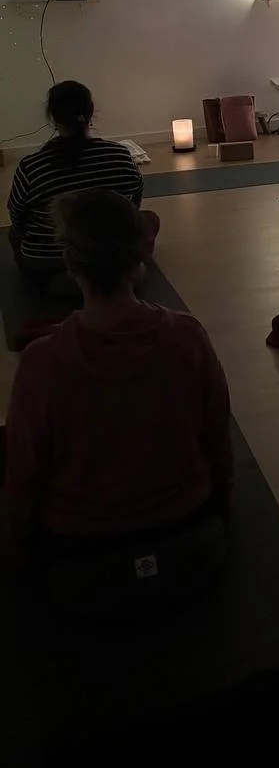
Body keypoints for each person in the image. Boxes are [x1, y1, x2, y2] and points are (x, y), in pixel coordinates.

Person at [2, 189, 233, 556]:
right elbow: (218, 439)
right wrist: (224, 511)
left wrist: (17, 552)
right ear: (142, 254)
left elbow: (23, 476)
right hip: (189, 534)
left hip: (80, 553)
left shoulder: (42, 362)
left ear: (70, 261)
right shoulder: (188, 336)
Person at [7, 80, 158, 280]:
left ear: (52, 117)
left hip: (51, 259)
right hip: (111, 253)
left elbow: (17, 216)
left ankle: (61, 280)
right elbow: (133, 202)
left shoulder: (32, 166)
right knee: (149, 219)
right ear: (90, 111)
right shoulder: (120, 155)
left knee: (12, 234)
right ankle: (114, 274)